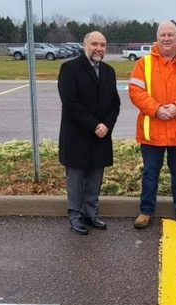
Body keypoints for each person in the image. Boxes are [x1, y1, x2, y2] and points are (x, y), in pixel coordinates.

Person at [128, 20, 176, 229]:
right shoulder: (143, 64)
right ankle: (145, 211)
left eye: (170, 34)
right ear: (157, 37)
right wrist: (156, 109)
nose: (167, 38)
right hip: (152, 130)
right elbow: (136, 92)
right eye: (163, 35)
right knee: (150, 173)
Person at [57, 31, 120, 235]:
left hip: (101, 135)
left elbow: (115, 103)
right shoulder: (69, 68)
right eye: (95, 44)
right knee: (75, 178)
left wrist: (106, 125)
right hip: (77, 134)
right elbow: (70, 102)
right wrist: (94, 125)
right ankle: (75, 215)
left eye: (102, 44)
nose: (99, 48)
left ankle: (91, 214)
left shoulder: (109, 71)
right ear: (85, 45)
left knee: (95, 176)